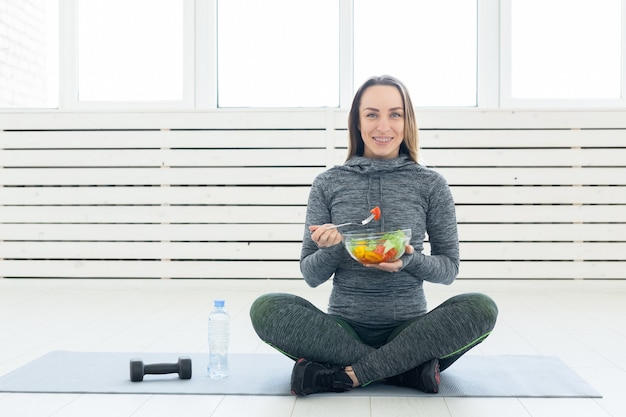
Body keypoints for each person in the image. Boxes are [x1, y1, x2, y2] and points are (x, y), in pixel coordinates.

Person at [249, 75, 498, 396]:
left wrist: (408, 259)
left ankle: (347, 374)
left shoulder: (431, 184)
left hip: (411, 331)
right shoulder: (328, 183)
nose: (384, 126)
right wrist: (337, 247)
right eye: (372, 114)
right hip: (342, 332)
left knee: (481, 307)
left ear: (407, 121)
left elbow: (448, 270)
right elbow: (311, 275)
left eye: (395, 114)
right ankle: (405, 372)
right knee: (267, 307)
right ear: (357, 121)